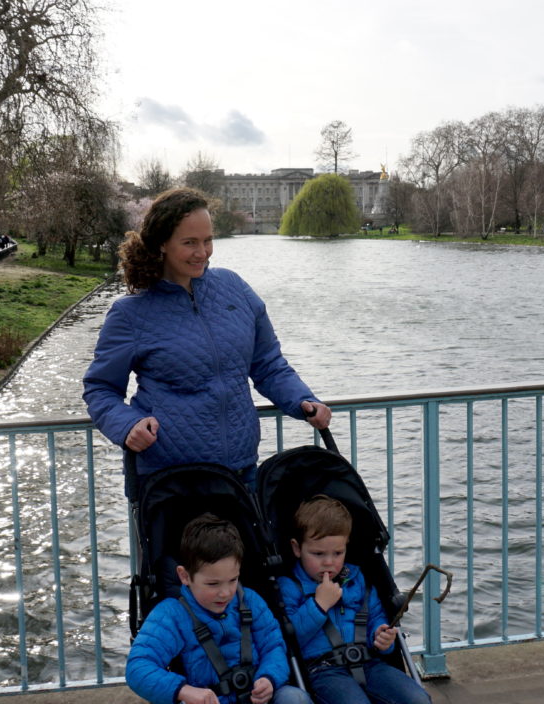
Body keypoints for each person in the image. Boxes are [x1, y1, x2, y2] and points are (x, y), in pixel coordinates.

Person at [83, 187, 331, 495]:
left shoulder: (234, 288)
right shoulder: (131, 312)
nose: (202, 252)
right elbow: (100, 388)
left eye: (208, 240)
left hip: (241, 473)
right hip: (169, 481)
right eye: (190, 243)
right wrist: (127, 425)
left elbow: (267, 364)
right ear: (162, 244)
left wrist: (302, 400)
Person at [126, 513, 310, 704]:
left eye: (232, 580)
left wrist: (269, 677)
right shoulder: (172, 615)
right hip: (210, 700)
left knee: (294, 697)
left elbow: (273, 646)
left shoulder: (250, 601)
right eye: (213, 584)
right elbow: (138, 667)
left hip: (257, 697)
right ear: (185, 576)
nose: (225, 593)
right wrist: (184, 691)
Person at [278, 496, 431, 704]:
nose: (329, 562)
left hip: (368, 661)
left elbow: (375, 616)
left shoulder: (356, 579)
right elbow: (290, 640)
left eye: (338, 553)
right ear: (297, 548)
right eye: (318, 554)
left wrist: (382, 638)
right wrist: (318, 605)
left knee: (418, 699)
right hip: (323, 669)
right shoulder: (290, 586)